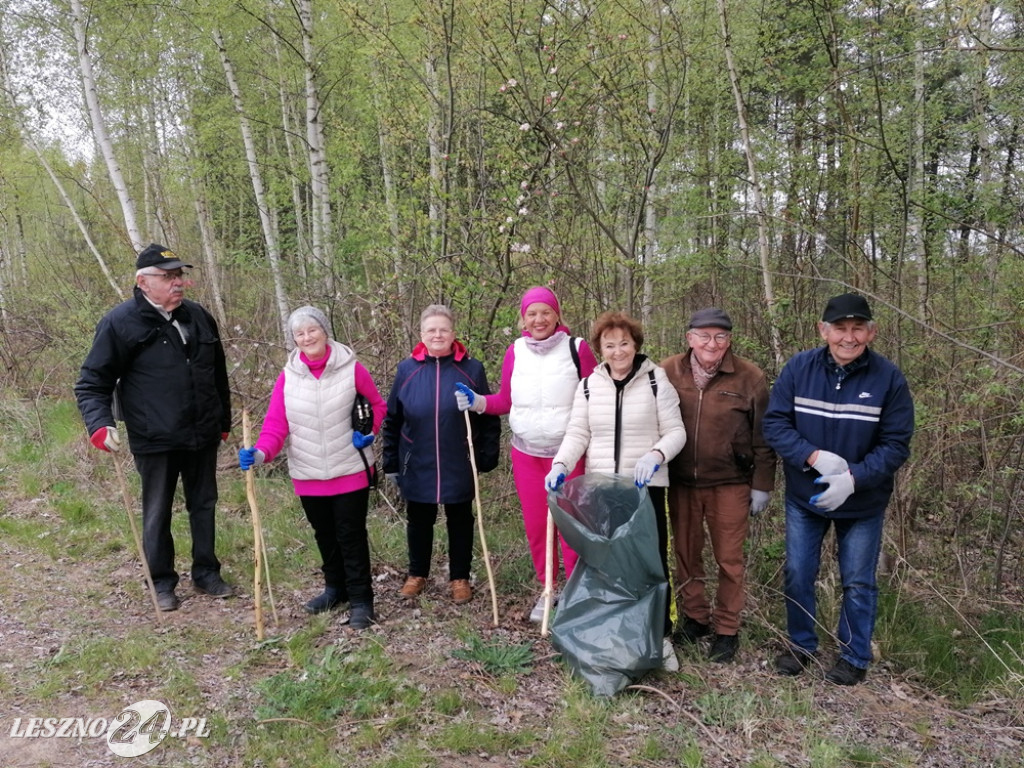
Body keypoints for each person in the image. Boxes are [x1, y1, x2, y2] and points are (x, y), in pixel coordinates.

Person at [763, 293, 913, 685]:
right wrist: (811, 456)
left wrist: (853, 479)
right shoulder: (799, 368)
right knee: (798, 572)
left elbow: (896, 443)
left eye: (858, 328)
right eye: (840, 329)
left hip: (862, 502)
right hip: (805, 497)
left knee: (858, 581)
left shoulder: (888, 378)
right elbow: (775, 424)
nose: (849, 337)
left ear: (871, 331)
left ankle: (854, 655)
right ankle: (801, 644)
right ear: (824, 330)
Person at [75, 243, 232, 612]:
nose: (178, 283)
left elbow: (218, 375)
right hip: (155, 436)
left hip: (202, 432)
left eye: (180, 275)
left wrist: (222, 421)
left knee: (204, 504)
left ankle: (207, 573)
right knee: (158, 509)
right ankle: (161, 581)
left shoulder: (199, 317)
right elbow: (91, 382)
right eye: (169, 277)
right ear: (143, 282)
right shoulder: (120, 322)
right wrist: (99, 425)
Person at [545, 310, 686, 668]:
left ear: (636, 344)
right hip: (604, 490)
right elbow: (579, 433)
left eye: (624, 343)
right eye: (610, 345)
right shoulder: (590, 385)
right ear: (600, 348)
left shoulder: (657, 381)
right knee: (608, 564)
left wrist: (656, 454)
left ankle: (659, 636)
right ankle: (611, 635)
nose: (618, 351)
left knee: (650, 562)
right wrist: (560, 464)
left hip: (645, 489)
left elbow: (676, 432)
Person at [455, 286, 598, 622]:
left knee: (572, 527)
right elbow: (505, 400)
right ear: (523, 318)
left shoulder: (577, 349)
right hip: (527, 456)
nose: (539, 319)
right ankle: (548, 589)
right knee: (537, 526)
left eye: (545, 312)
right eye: (532, 313)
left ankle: (578, 593)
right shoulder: (515, 351)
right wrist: (476, 402)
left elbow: (596, 397)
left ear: (557, 315)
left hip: (570, 455)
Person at [237, 306, 386, 630]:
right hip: (308, 472)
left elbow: (377, 404)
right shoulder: (288, 377)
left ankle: (362, 599)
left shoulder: (351, 368)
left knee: (351, 535)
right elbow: (276, 426)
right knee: (325, 535)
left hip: (350, 467)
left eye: (312, 330)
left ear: (324, 330)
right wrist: (260, 454)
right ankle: (336, 589)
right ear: (293, 340)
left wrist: (369, 430)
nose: (307, 337)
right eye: (299, 334)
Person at [661, 308, 776, 663]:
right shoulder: (666, 372)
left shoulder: (749, 378)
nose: (712, 344)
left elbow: (765, 437)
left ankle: (727, 629)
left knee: (729, 560)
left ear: (729, 340)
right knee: (685, 556)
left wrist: (762, 485)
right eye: (705, 336)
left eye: (720, 337)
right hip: (680, 482)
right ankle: (695, 619)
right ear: (690, 338)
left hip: (730, 484)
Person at [382, 305, 501, 605]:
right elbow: (392, 419)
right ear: (421, 334)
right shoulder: (407, 370)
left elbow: (488, 414)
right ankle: (417, 574)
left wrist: (487, 456)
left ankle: (459, 577)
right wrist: (391, 462)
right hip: (417, 459)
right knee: (419, 518)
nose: (438, 335)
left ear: (453, 333)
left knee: (460, 519)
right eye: (431, 330)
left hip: (458, 459)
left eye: (443, 329)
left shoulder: (471, 369)